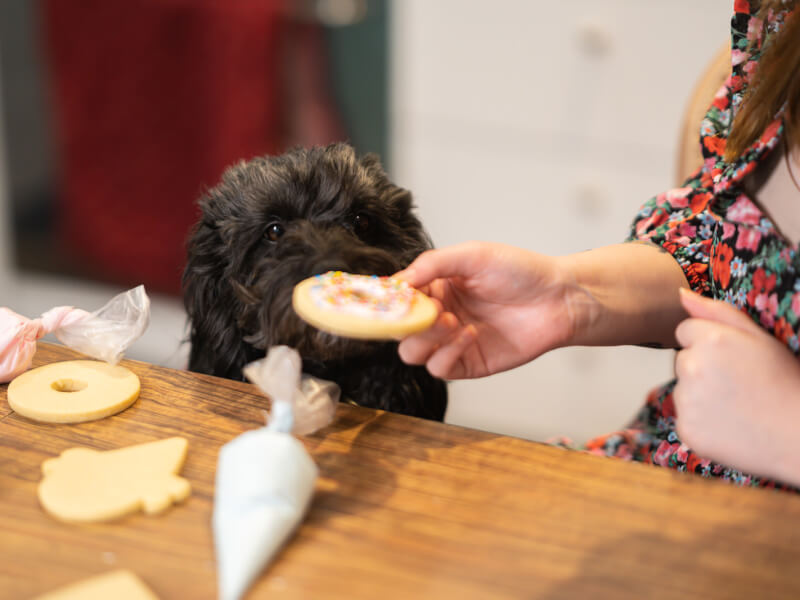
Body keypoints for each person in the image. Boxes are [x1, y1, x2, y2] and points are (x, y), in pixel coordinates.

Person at [395, 0, 800, 489]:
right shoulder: (779, 23)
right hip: (663, 476)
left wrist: (786, 428)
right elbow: (731, 252)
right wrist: (568, 295)